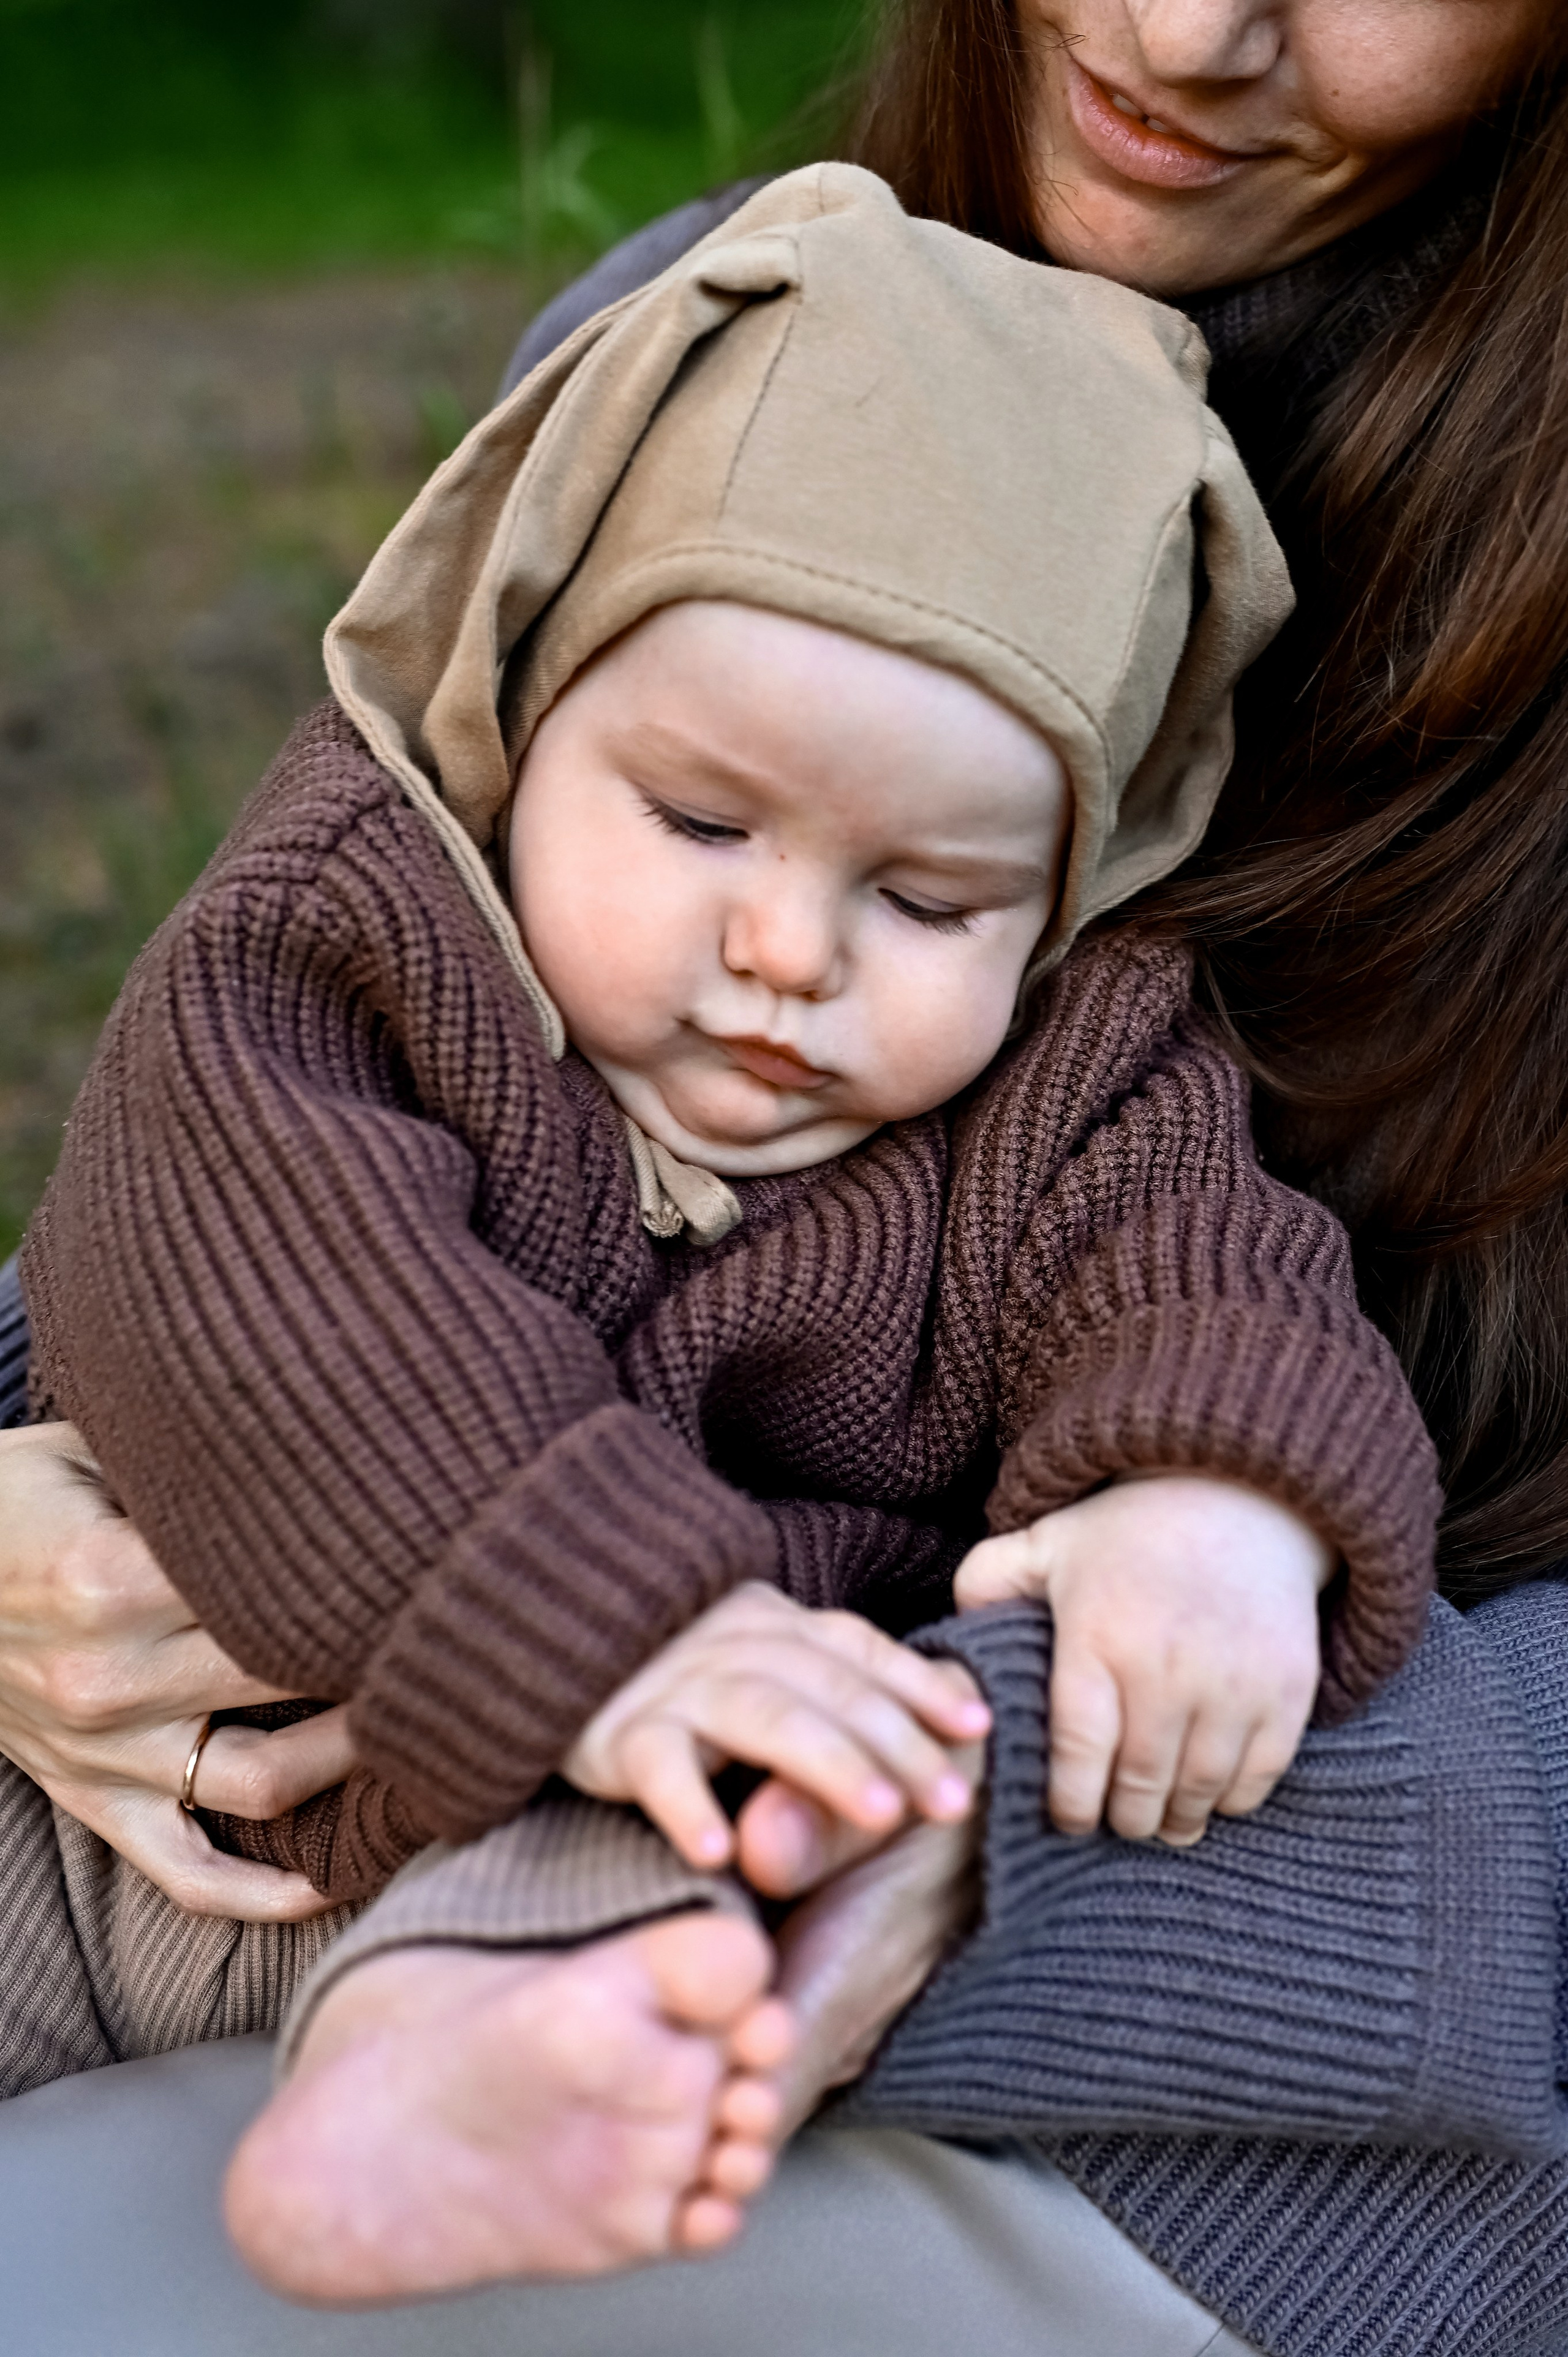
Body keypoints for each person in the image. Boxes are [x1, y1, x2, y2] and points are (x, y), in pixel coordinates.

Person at [0, 5, 1566, 2353]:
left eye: (927, 900)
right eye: (700, 821)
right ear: (512, 714)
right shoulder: (402, 869)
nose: (787, 953)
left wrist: (1214, 1509)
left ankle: (431, 2072)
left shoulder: (1068, 1056)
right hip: (141, 1824)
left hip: (774, 1905)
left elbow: (1197, 1270)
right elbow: (215, 1215)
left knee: (634, 1873)